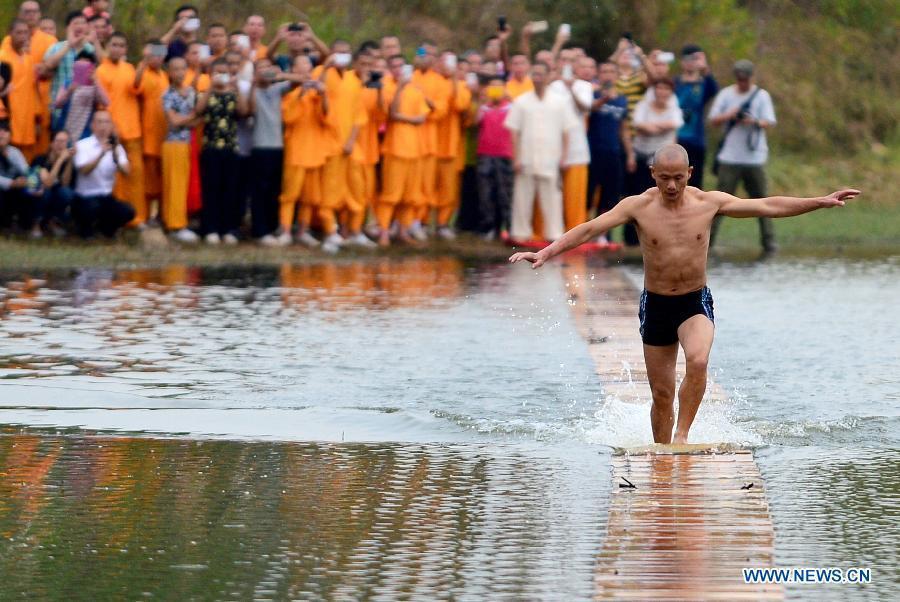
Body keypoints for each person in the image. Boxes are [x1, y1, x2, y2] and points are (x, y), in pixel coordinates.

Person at [510, 142, 860, 444]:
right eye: (665, 178)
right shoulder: (638, 207)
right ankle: (663, 454)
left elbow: (767, 206)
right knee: (661, 396)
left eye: (679, 177)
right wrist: (545, 252)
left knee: (698, 360)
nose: (672, 185)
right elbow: (589, 228)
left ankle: (683, 437)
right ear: (653, 174)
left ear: (690, 172)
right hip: (656, 304)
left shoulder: (709, 202)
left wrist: (820, 201)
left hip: (694, 301)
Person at [708, 59, 778, 253]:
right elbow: (713, 120)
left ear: (751, 78)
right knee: (719, 203)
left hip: (754, 158)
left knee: (762, 201)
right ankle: (707, 242)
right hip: (729, 158)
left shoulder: (761, 96)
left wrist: (754, 122)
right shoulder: (726, 94)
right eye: (739, 79)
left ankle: (768, 242)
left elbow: (769, 121)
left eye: (745, 79)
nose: (742, 83)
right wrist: (730, 115)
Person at [504, 62, 577, 242]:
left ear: (547, 76)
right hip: (526, 158)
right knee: (522, 197)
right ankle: (520, 233)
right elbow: (514, 132)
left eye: (540, 74)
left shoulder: (559, 102)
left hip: (551, 158)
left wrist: (564, 157)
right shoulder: (522, 101)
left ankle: (554, 235)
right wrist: (516, 158)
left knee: (552, 198)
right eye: (534, 74)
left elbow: (566, 131)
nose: (537, 78)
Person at [376, 54, 429, 246]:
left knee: (410, 196)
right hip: (395, 148)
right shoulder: (387, 87)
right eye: (394, 66)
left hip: (415, 149)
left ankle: (403, 230)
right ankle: (383, 231)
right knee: (391, 194)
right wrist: (399, 90)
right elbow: (391, 114)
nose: (398, 70)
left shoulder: (415, 90)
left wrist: (402, 117)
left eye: (401, 66)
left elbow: (422, 118)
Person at [194, 58, 248, 244]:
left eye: (225, 71)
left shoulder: (233, 94)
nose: (221, 75)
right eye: (218, 72)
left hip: (230, 148)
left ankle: (229, 229)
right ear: (211, 73)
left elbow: (243, 112)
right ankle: (210, 228)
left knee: (230, 189)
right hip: (210, 148)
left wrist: (236, 87)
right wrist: (211, 87)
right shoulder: (205, 93)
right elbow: (198, 110)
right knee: (211, 189)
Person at [95, 32, 146, 227]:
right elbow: (101, 103)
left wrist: (142, 66)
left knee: (136, 174)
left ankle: (138, 217)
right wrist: (109, 128)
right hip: (112, 132)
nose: (117, 48)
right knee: (114, 177)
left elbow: (135, 89)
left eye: (121, 45)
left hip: (132, 130)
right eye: (114, 45)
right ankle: (117, 218)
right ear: (107, 47)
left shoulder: (129, 68)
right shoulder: (101, 71)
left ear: (125, 49)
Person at [279, 54, 329, 247]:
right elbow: (289, 118)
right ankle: (284, 230)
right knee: (290, 194)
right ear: (294, 70)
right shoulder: (290, 93)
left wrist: (323, 95)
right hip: (296, 151)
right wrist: (300, 94)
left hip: (314, 150)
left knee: (310, 197)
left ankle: (303, 230)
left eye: (309, 66)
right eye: (302, 66)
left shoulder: (316, 93)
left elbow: (326, 116)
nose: (306, 70)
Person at [2, 2, 58, 157]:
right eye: (27, 12)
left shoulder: (49, 41)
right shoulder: (5, 48)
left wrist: (45, 69)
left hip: (39, 105)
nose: (31, 15)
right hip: (10, 110)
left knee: (36, 153)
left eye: (34, 12)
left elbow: (53, 72)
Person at [586, 61, 634, 241]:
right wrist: (604, 98)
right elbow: (591, 108)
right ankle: (585, 231)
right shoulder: (592, 95)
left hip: (613, 152)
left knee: (611, 195)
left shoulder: (622, 99)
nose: (607, 75)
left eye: (611, 71)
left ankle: (604, 234)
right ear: (599, 74)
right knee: (589, 194)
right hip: (593, 152)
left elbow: (623, 129)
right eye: (604, 71)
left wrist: (630, 154)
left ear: (617, 75)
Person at [248, 57, 293, 244]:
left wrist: (280, 74)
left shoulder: (277, 89)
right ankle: (260, 230)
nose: (265, 71)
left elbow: (301, 79)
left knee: (275, 190)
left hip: (277, 146)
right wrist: (253, 84)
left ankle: (273, 226)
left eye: (268, 67)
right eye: (261, 68)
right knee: (260, 190)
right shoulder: (252, 90)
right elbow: (250, 110)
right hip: (259, 146)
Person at [72, 110, 135, 238]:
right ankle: (85, 229)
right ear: (92, 125)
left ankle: (106, 229)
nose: (103, 126)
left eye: (106, 122)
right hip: (85, 197)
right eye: (99, 122)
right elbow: (84, 170)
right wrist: (101, 153)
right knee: (90, 208)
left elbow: (127, 172)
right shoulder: (82, 145)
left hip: (106, 197)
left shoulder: (116, 147)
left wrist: (115, 155)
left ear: (111, 126)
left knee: (128, 211)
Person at [549, 55, 593, 232]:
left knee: (575, 194)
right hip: (553, 146)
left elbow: (586, 108)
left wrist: (571, 89)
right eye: (565, 60)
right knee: (553, 194)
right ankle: (551, 231)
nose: (569, 64)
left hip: (577, 148)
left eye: (573, 61)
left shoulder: (584, 86)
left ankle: (575, 231)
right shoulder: (552, 86)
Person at [433, 51, 472, 239]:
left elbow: (460, 106)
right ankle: (420, 223)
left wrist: (455, 80)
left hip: (451, 145)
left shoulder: (462, 87)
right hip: (428, 144)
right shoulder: (429, 82)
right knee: (425, 188)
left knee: (448, 190)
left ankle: (442, 223)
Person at [160, 55, 198, 243]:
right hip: (174, 143)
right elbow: (173, 121)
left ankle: (177, 220)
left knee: (183, 185)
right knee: (174, 184)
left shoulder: (190, 91)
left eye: (183, 68)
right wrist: (191, 117)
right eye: (175, 69)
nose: (180, 73)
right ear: (169, 72)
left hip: (188, 142)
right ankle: (176, 225)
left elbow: (199, 118)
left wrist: (189, 118)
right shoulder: (168, 94)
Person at [135, 39, 170, 224]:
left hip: (164, 133)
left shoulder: (164, 75)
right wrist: (143, 62)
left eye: (160, 54)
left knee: (161, 178)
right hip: (147, 132)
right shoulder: (143, 73)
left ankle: (161, 215)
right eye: (153, 54)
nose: (157, 58)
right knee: (148, 179)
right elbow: (135, 86)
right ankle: (146, 215)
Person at [475, 76, 514, 240]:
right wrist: (481, 100)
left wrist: (509, 97)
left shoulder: (511, 107)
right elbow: (475, 122)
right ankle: (488, 226)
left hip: (505, 154)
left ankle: (507, 227)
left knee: (505, 193)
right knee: (486, 192)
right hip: (485, 153)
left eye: (499, 87)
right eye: (493, 87)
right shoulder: (484, 107)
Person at [675, 45, 718, 189]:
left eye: (694, 59)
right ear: (681, 62)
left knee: (695, 183)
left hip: (696, 140)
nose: (690, 63)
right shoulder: (674, 83)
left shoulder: (704, 84)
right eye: (687, 59)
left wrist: (704, 67)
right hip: (675, 138)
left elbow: (714, 89)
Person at [43, 11, 97, 120]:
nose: (79, 26)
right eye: (75, 23)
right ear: (67, 27)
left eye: (82, 23)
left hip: (83, 112)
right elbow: (48, 65)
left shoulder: (91, 49)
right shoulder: (56, 47)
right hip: (59, 109)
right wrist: (69, 46)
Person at [631, 79, 683, 192]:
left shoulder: (674, 109)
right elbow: (638, 124)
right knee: (636, 191)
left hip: (661, 157)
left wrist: (649, 126)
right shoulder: (643, 106)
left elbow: (675, 123)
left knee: (655, 190)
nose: (662, 92)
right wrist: (662, 127)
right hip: (639, 152)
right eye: (659, 88)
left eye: (666, 89)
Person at [0, 20, 40, 162]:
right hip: (8, 119)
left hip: (27, 118)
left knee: (25, 161)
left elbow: (33, 90)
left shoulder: (29, 58)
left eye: (25, 33)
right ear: (10, 34)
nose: (22, 36)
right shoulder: (3, 57)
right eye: (18, 32)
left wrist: (37, 118)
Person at [53, 50, 107, 141]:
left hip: (85, 133)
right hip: (65, 132)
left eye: (86, 66)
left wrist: (95, 82)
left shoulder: (95, 86)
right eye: (80, 65)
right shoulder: (68, 83)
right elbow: (57, 104)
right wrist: (69, 91)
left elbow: (106, 102)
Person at [31, 129, 77, 237]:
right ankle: (36, 223)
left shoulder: (68, 162)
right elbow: (48, 183)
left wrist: (69, 160)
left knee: (67, 193)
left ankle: (53, 222)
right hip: (39, 195)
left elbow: (66, 183)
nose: (60, 145)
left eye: (64, 141)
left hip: (56, 197)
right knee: (45, 192)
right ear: (51, 143)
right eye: (57, 141)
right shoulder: (41, 159)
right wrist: (60, 160)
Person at [0, 120, 33, 231]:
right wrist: (12, 183)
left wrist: (24, 180)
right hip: (4, 187)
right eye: (0, 131)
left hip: (14, 188)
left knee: (27, 191)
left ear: (10, 136)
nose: (2, 134)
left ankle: (22, 225)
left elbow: (26, 170)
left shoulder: (15, 152)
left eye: (5, 131)